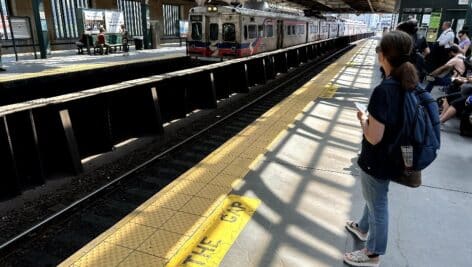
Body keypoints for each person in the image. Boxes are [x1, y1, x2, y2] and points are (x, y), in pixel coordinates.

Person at [344, 31, 419, 267]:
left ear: (384, 56)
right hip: (394, 155)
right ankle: (363, 228)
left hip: (377, 158)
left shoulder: (384, 90)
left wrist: (362, 119)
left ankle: (372, 253)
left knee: (377, 203)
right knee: (373, 196)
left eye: (379, 50)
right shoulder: (407, 82)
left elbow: (374, 137)